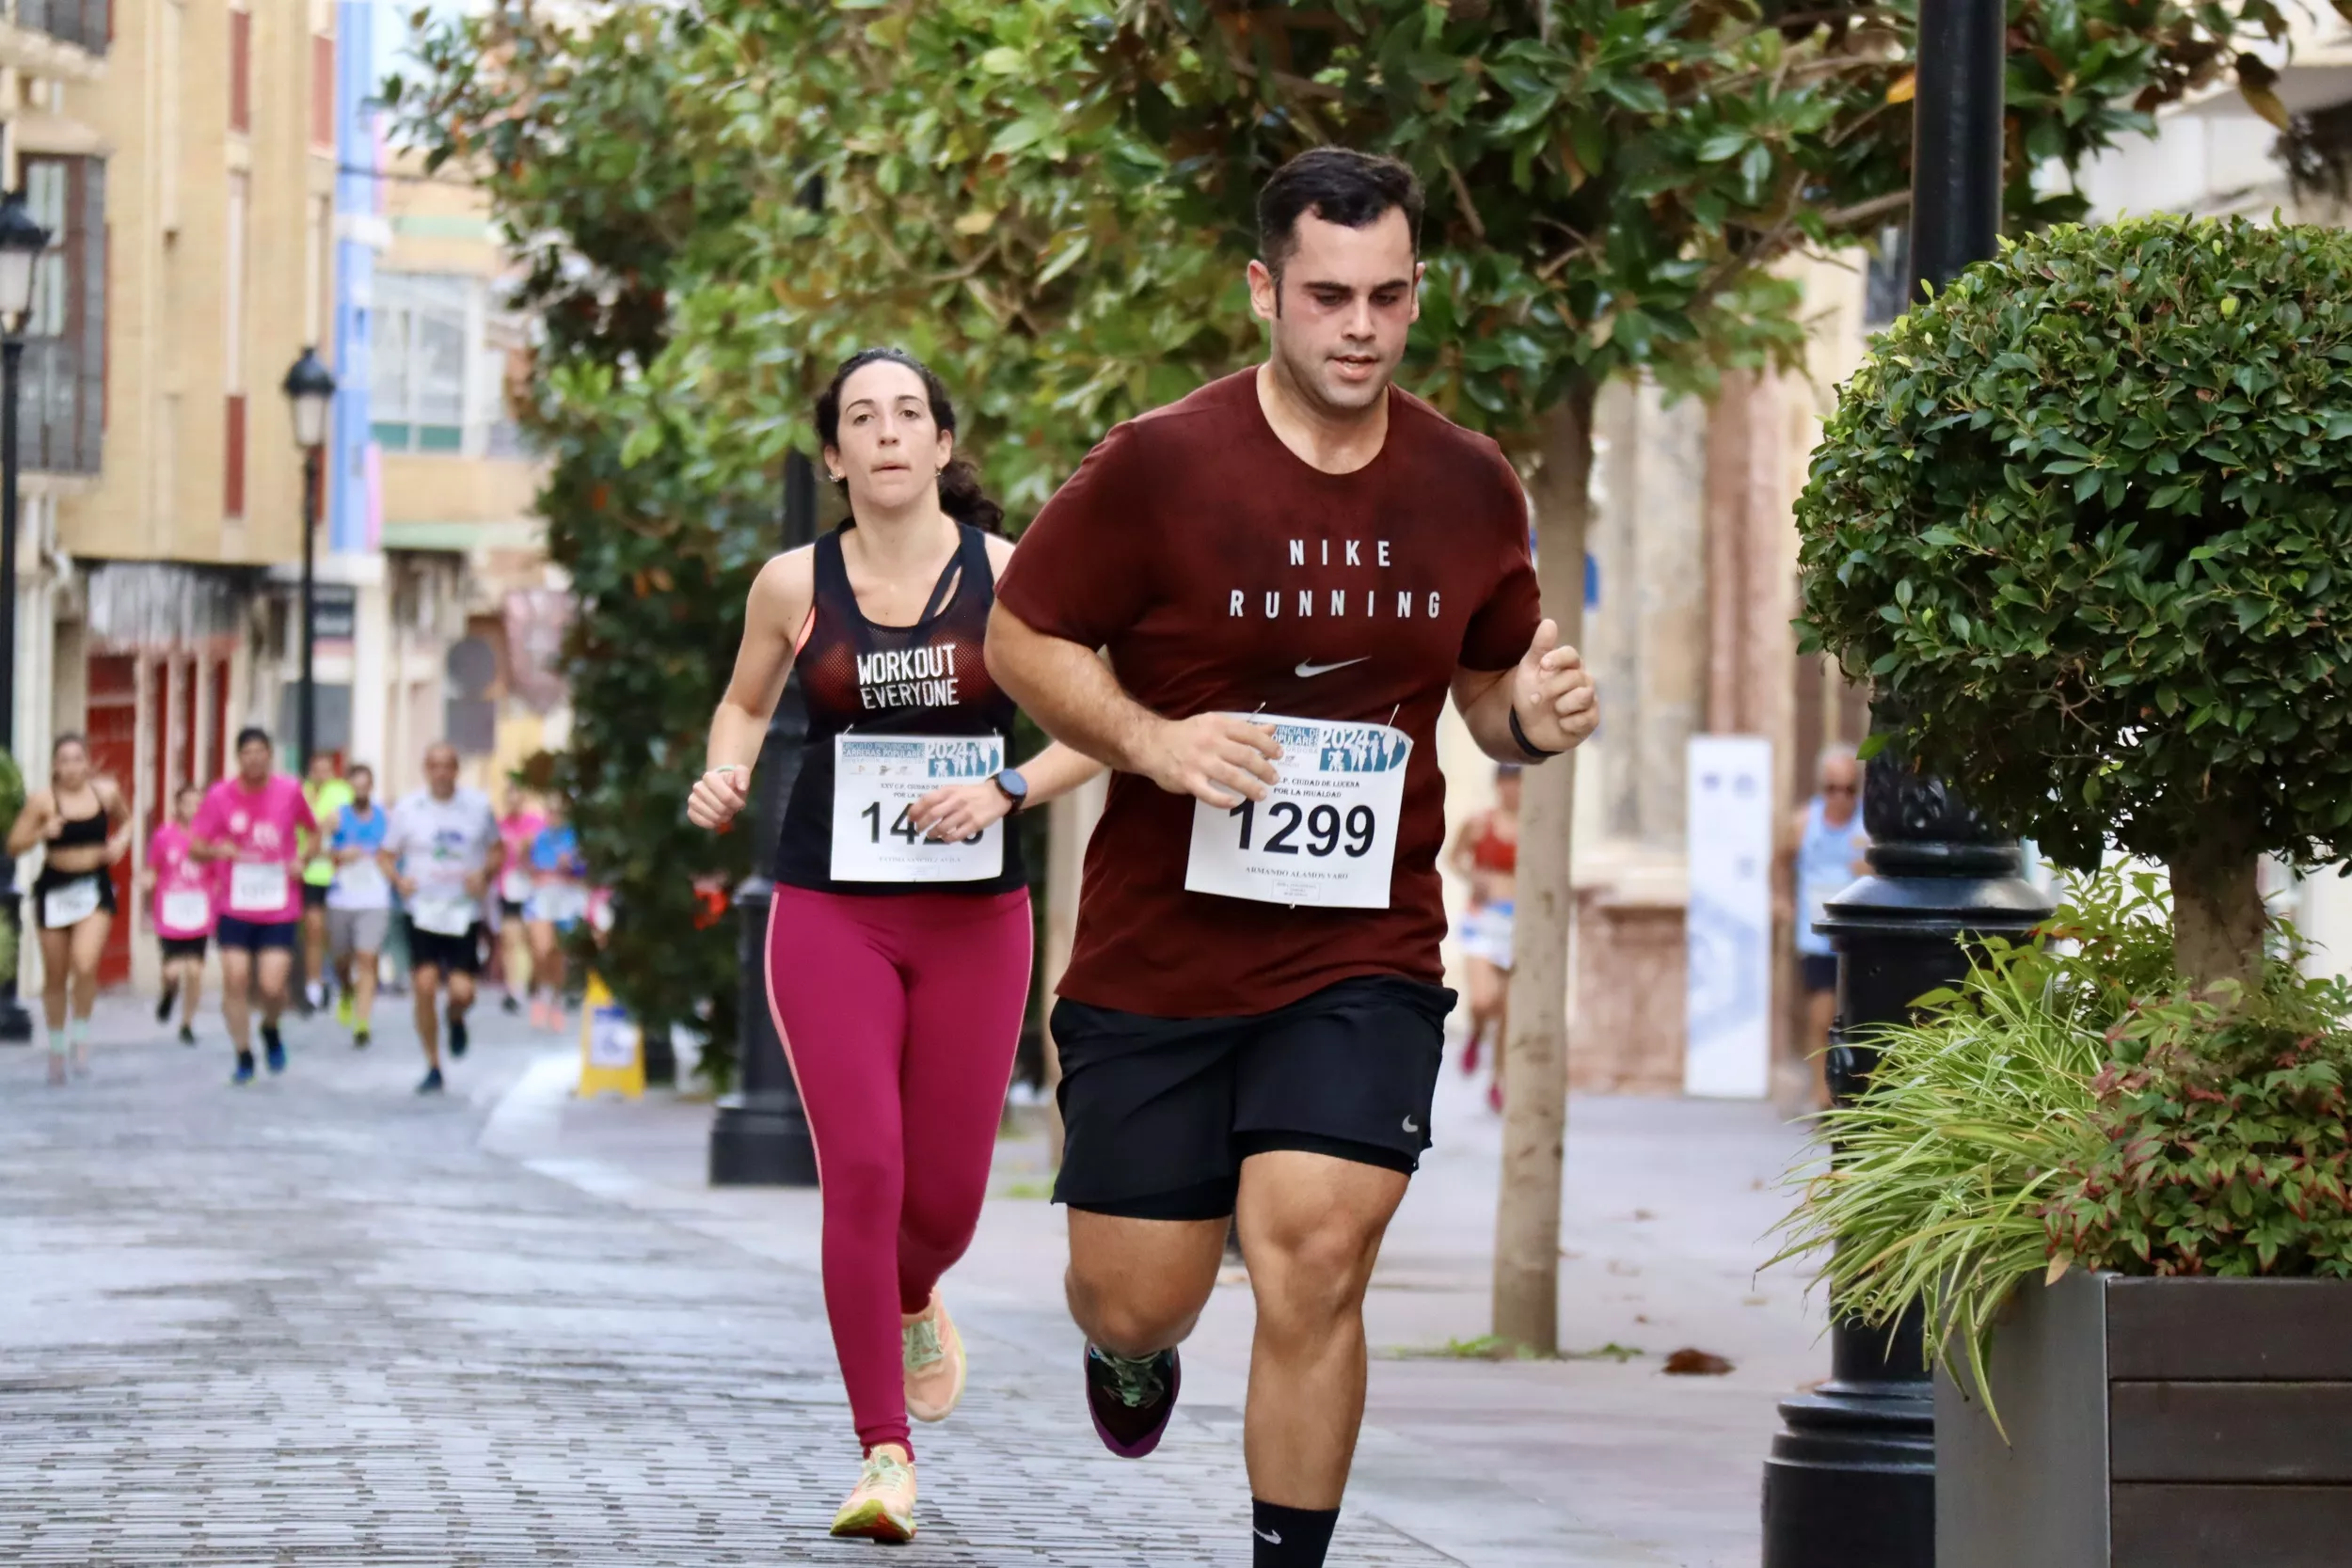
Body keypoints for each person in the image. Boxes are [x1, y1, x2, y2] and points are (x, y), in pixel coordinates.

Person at [983, 149, 1598, 1568]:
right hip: (1160, 951)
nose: (1360, 326)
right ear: (1267, 290)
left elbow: (1495, 693)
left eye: (1388, 295)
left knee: (1316, 1254)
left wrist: (1540, 719)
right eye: (1328, 296)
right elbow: (1025, 632)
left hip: (1358, 948)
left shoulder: (1466, 480)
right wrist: (1151, 740)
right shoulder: (1159, 465)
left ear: (1417, 292)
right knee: (1135, 1295)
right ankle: (1131, 1357)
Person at [686, 347, 1104, 1545]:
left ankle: (917, 1292)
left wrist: (1007, 787)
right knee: (862, 1171)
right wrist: (726, 768)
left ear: (939, 444)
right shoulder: (790, 584)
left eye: (906, 414)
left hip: (976, 915)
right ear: (833, 455)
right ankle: (885, 1451)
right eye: (859, 419)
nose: (883, 434)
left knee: (949, 1202)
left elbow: (1099, 721)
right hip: (830, 909)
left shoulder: (1012, 578)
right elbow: (744, 702)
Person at [190, 728, 317, 1084]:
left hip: (278, 905)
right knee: (236, 979)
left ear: (270, 755)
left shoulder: (289, 791)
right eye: (248, 752)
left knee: (272, 986)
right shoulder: (219, 797)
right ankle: (244, 1055)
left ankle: (271, 1028)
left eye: (262, 751)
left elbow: (314, 831)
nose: (255, 758)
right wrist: (218, 850)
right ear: (238, 757)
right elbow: (195, 847)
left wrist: (303, 859)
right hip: (234, 903)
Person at [7, 734, 132, 1084]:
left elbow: (129, 821)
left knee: (85, 961)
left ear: (89, 762)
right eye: (64, 760)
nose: (72, 767)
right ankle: (57, 1047)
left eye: (78, 759)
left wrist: (120, 842)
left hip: (93, 886)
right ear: (54, 766)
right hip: (55, 888)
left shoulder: (105, 792)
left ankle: (81, 1036)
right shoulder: (42, 801)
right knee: (56, 974)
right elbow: (14, 844)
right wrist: (42, 831)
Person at [380, 742, 502, 1095]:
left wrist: (485, 874)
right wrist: (399, 880)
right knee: (424, 985)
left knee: (463, 991)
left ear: (456, 770)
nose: (441, 773)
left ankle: (456, 1016)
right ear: (425, 769)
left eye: (448, 765)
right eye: (434, 766)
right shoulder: (408, 809)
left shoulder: (477, 807)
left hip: (462, 910)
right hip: (422, 909)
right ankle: (433, 1063)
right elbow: (386, 855)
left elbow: (497, 850)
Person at [1775, 745, 1868, 1106]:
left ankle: (1854, 1089)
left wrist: (1870, 868)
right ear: (1821, 789)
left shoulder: (1868, 826)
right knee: (1821, 1011)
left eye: (1849, 789)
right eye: (1832, 789)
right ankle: (1821, 1090)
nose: (1841, 798)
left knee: (1857, 1016)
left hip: (1858, 934)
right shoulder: (1803, 823)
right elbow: (1781, 860)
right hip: (1817, 935)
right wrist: (1782, 899)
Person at [1445, 762, 1519, 1110]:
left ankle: (1498, 1080)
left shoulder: (1534, 828)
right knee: (1483, 1000)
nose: (1512, 790)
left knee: (1507, 1009)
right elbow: (1454, 858)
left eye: (1518, 783)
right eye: (1507, 782)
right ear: (1498, 785)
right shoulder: (1479, 824)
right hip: (1483, 918)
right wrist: (1472, 877)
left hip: (1516, 920)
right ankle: (1475, 1033)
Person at [326, 764, 392, 1049]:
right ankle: (345, 990)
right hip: (342, 896)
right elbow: (319, 848)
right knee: (342, 958)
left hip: (374, 898)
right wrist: (339, 854)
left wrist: (386, 862)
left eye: (365, 786)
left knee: (366, 957)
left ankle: (362, 1023)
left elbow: (395, 852)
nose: (360, 791)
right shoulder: (336, 817)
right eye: (356, 786)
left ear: (372, 787)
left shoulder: (385, 818)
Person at [145, 783, 215, 1049]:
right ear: (177, 806)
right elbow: (154, 867)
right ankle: (168, 995)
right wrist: (148, 881)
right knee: (172, 972)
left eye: (199, 804)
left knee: (195, 971)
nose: (193, 809)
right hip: (171, 910)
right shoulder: (164, 835)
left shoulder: (209, 838)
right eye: (188, 803)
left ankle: (187, 1023)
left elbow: (218, 869)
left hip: (199, 910)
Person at [520, 796, 587, 1031]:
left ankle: (555, 1000)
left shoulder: (575, 838)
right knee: (541, 950)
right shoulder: (537, 838)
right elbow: (525, 866)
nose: (554, 816)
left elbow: (585, 870)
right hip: (542, 898)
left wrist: (572, 865)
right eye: (551, 811)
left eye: (559, 811)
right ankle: (541, 992)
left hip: (567, 899)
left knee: (559, 953)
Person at [299, 752, 353, 1015]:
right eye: (316, 769)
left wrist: (319, 826)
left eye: (325, 770)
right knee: (313, 931)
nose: (320, 774)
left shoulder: (342, 792)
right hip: (308, 872)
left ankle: (341, 979)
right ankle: (313, 986)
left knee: (336, 935)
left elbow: (338, 824)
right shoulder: (301, 792)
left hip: (335, 872)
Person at [494, 787, 545, 1014]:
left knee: (534, 941)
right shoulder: (500, 826)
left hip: (533, 888)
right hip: (509, 888)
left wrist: (525, 846)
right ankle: (514, 990)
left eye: (517, 800)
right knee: (509, 938)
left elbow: (539, 850)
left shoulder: (535, 823)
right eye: (509, 801)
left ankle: (536, 982)